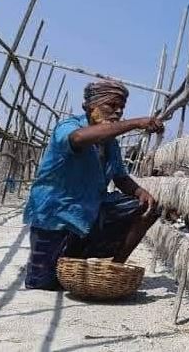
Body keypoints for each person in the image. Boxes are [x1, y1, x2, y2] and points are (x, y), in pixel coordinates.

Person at [23, 80, 165, 291]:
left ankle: (114, 268)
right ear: (90, 106)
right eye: (111, 106)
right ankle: (55, 263)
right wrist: (134, 123)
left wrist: (140, 192)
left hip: (89, 213)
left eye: (121, 108)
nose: (117, 112)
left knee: (149, 208)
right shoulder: (69, 127)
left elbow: (120, 177)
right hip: (56, 214)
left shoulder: (110, 143)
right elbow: (78, 139)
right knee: (43, 283)